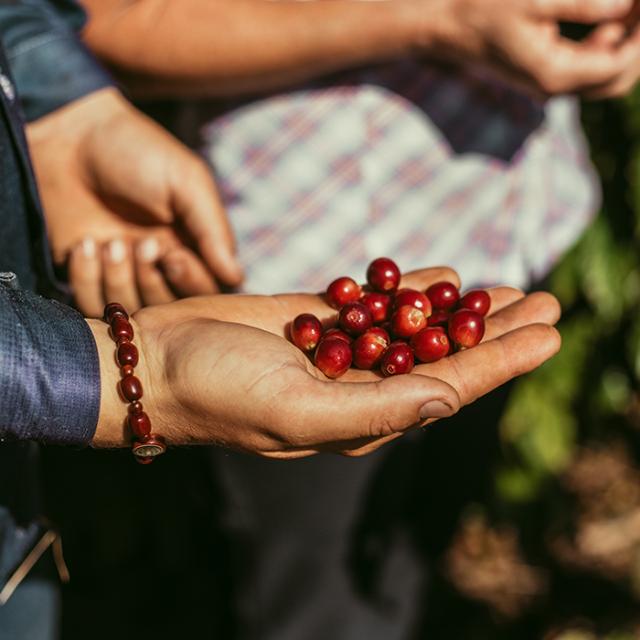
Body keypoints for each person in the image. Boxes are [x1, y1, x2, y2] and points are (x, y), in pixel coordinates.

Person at [73, 1, 640, 638]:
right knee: (312, 600)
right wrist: (443, 19)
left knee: (415, 546)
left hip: (506, 230)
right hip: (286, 268)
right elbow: (101, 20)